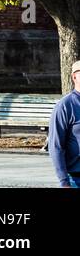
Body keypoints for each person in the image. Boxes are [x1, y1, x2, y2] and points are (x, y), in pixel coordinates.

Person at [48, 59, 80, 187]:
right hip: (76, 178)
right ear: (74, 77)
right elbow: (55, 146)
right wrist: (64, 181)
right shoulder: (65, 106)